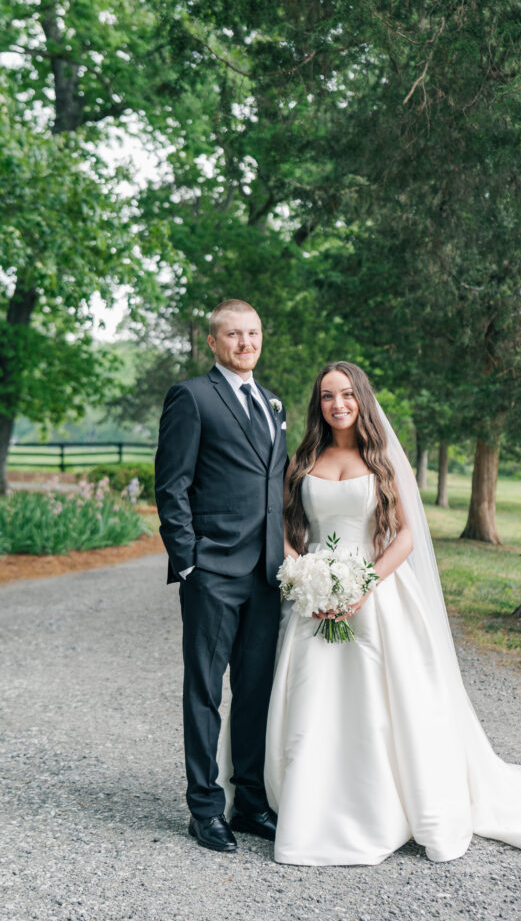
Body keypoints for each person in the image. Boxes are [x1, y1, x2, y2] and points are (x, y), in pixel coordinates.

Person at [259, 361, 521, 866]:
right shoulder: (304, 459)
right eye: (327, 396)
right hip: (316, 601)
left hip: (375, 596)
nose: (337, 404)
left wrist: (362, 586)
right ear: (318, 404)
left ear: (361, 398)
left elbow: (407, 536)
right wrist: (306, 577)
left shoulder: (384, 459)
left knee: (381, 707)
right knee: (314, 700)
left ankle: (382, 808)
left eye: (346, 394)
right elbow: (286, 528)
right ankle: (312, 807)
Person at [155, 299, 287, 853]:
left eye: (252, 333)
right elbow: (171, 486)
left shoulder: (272, 402)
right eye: (233, 334)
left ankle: (251, 802)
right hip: (212, 573)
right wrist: (190, 562)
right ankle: (204, 808)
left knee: (255, 692)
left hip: (267, 574)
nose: (244, 343)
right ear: (213, 341)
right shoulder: (193, 397)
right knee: (205, 693)